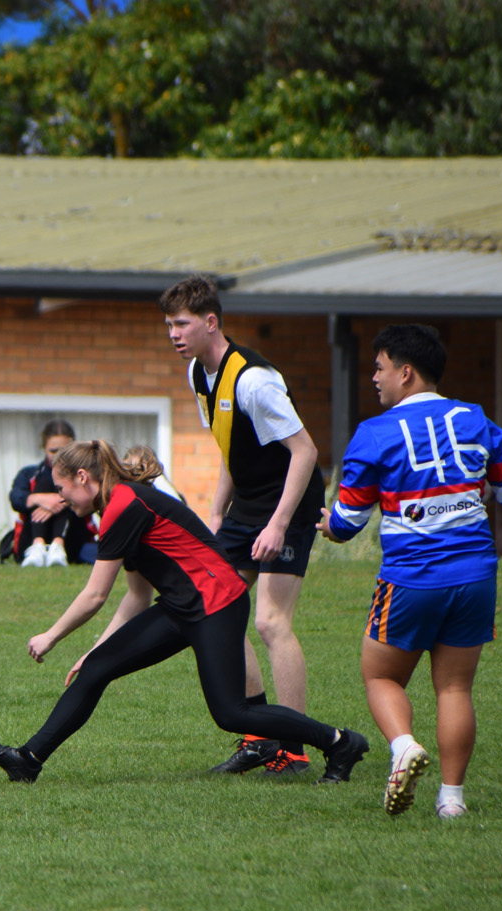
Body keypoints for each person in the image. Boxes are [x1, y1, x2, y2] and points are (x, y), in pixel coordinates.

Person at [0, 440, 368, 787]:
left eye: (61, 489)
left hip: (217, 603)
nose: (60, 499)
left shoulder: (124, 504)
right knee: (96, 668)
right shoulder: (116, 505)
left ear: (82, 477)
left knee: (232, 713)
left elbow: (95, 594)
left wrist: (50, 636)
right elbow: (137, 596)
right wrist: (97, 650)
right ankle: (28, 760)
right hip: (182, 607)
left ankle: (340, 742)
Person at [319, 324, 502, 818]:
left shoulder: (375, 433)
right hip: (475, 577)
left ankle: (403, 747)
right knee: (455, 688)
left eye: (380, 367)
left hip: (411, 579)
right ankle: (452, 800)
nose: (374, 377)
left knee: (380, 676)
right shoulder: (475, 420)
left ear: (406, 372)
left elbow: (347, 523)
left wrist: (330, 525)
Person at [162, 274, 325, 775]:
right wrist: (216, 514)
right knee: (217, 610)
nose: (173, 334)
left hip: (289, 504)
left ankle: (295, 749)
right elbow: (231, 447)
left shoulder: (254, 379)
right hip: (248, 505)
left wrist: (278, 525)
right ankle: (259, 738)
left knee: (270, 622)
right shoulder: (197, 373)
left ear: (211, 322)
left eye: (182, 324)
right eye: (169, 325)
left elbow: (305, 452)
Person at [10, 419, 92, 567]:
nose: (59, 456)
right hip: (30, 537)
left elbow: (97, 500)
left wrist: (63, 501)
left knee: (66, 489)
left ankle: (57, 546)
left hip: (72, 538)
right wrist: (40, 499)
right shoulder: (30, 474)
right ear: (44, 448)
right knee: (45, 483)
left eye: (64, 451)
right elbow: (15, 498)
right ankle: (38, 546)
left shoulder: (85, 474)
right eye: (53, 451)